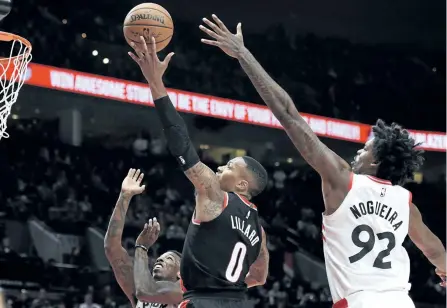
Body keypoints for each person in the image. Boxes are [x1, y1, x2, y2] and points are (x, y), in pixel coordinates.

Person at [198, 15, 446, 308]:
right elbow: (434, 250)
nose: (357, 153)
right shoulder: (406, 204)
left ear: (377, 160)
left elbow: (289, 114)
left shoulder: (343, 179)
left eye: (365, 149)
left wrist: (243, 55)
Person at [128, 36, 270, 308]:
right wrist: (225, 287)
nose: (219, 166)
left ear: (241, 185)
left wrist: (155, 83)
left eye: (229, 166)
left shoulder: (216, 196)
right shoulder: (258, 229)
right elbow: (260, 276)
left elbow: (181, 143)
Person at [104, 168, 183, 307]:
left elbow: (145, 291)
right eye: (160, 258)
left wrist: (142, 247)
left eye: (169, 259)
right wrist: (124, 196)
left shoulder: (182, 293)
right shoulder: (139, 291)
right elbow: (111, 247)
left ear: (180, 274)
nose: (159, 260)